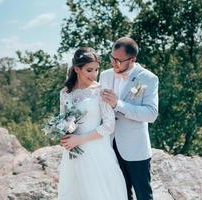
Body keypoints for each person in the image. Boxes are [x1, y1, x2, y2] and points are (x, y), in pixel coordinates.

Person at [58, 47, 127, 200]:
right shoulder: (65, 93)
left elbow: (109, 125)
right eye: (89, 70)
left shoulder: (101, 91)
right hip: (73, 152)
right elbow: (63, 120)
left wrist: (80, 139)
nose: (94, 74)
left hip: (97, 149)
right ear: (77, 69)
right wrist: (63, 134)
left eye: (96, 69)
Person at [99, 37, 159, 200]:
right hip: (110, 146)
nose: (114, 63)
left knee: (143, 195)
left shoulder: (148, 78)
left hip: (135, 148)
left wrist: (118, 104)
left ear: (133, 59)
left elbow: (151, 114)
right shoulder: (104, 75)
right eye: (112, 58)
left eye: (119, 60)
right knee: (120, 194)